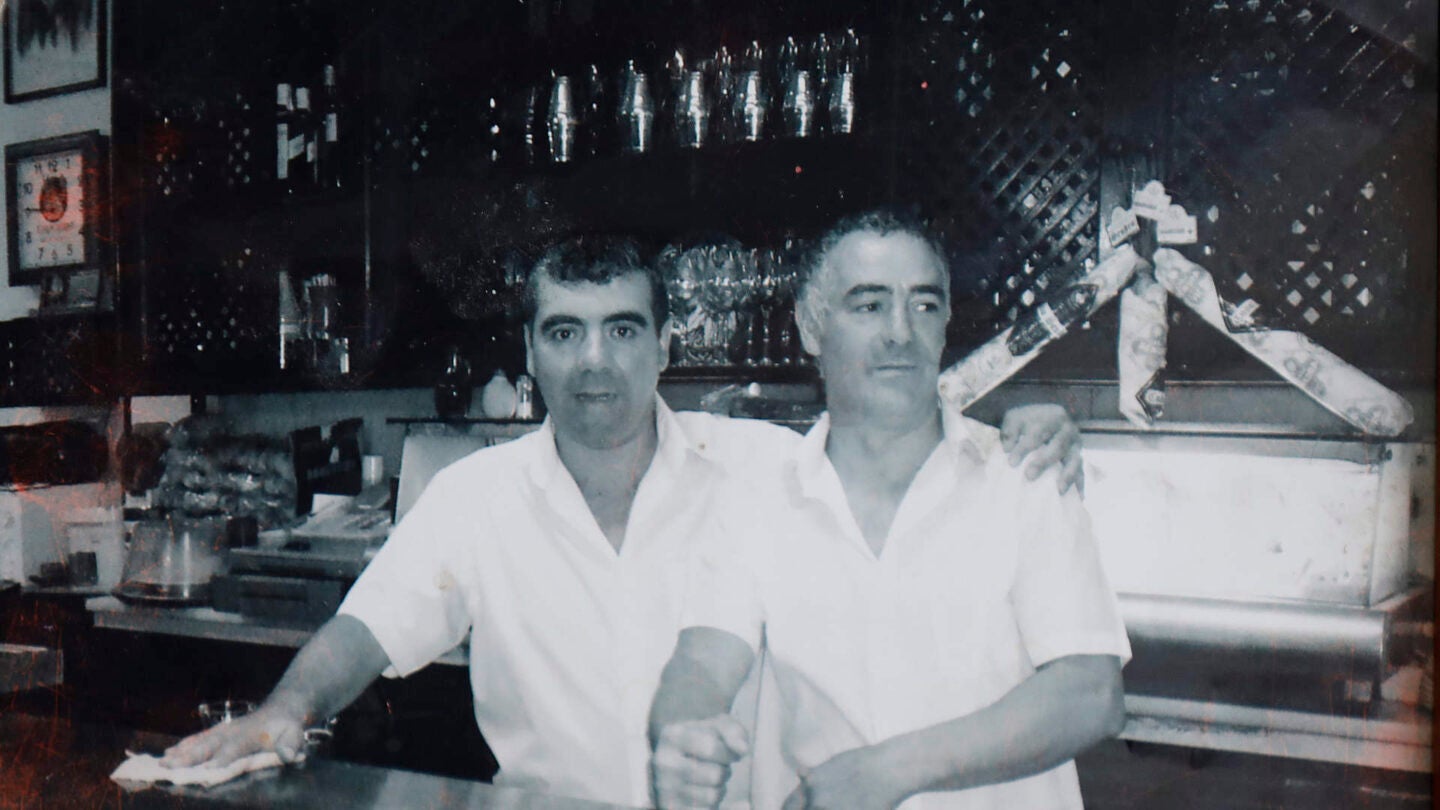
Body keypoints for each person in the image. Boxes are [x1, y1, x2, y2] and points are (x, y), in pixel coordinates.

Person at [160, 234, 1084, 807]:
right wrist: (284, 710)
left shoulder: (763, 466)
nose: (594, 361)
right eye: (565, 332)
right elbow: (367, 628)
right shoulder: (476, 496)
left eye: (624, 328)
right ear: (530, 353)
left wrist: (1021, 425)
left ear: (665, 346)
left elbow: (899, 434)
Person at [648, 212, 1131, 810]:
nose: (900, 332)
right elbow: (703, 659)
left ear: (945, 323)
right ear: (810, 327)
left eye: (923, 305)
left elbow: (1091, 694)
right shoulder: (757, 498)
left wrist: (887, 772)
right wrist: (685, 730)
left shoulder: (1023, 472)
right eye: (869, 305)